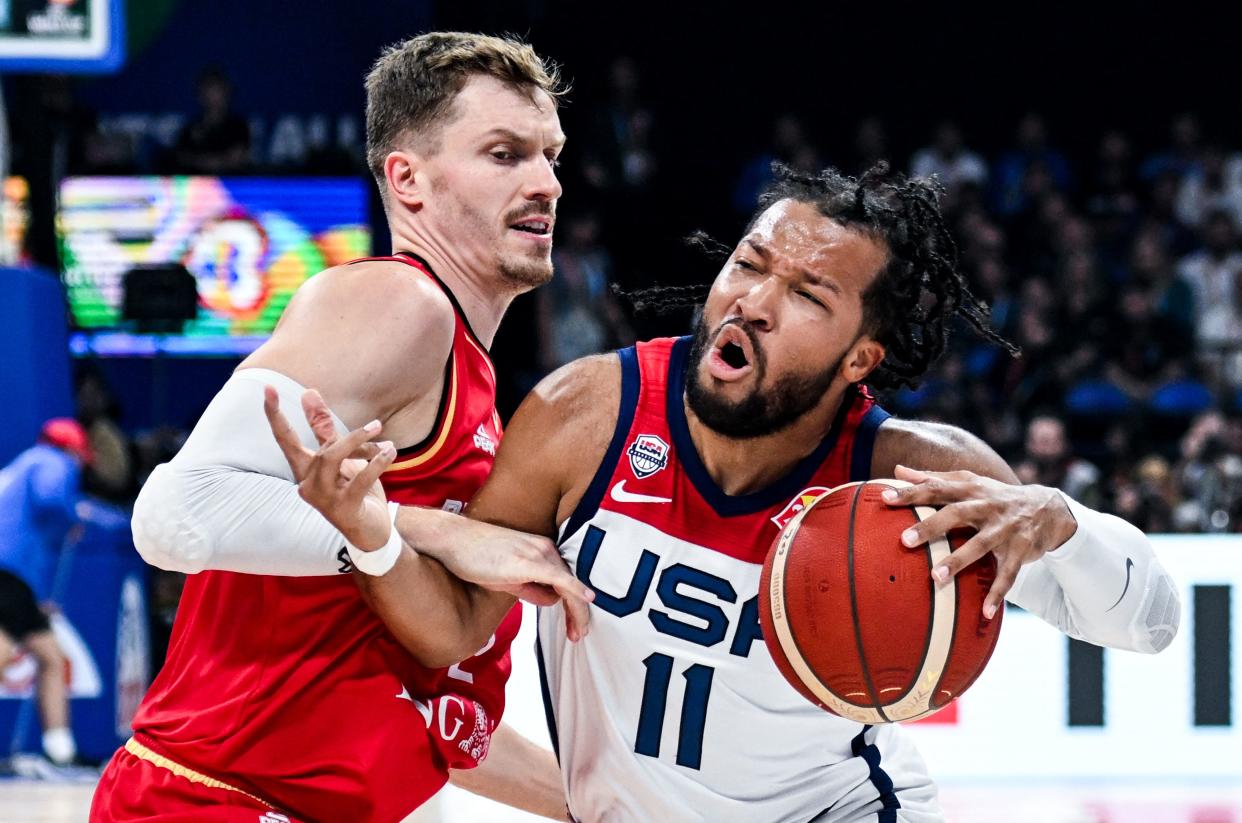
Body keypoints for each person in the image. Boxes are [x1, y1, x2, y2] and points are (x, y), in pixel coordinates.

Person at [274, 163, 1182, 821]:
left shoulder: (907, 478)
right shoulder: (586, 412)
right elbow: (455, 629)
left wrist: (1063, 523)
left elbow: (1153, 624)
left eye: (808, 295)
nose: (752, 300)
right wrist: (378, 536)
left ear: (861, 355)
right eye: (749, 265)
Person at [92, 32, 591, 823]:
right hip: (214, 799)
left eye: (550, 155)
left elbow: (435, 727)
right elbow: (171, 517)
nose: (546, 183)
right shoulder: (401, 304)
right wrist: (430, 531)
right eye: (505, 154)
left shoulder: (471, 385)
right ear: (408, 179)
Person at [0, 418, 92, 767]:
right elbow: (50, 496)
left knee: (51, 657)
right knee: (3, 654)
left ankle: (60, 750)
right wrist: (73, 516)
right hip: (7, 573)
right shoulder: (51, 461)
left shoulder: (19, 464)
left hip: (14, 578)